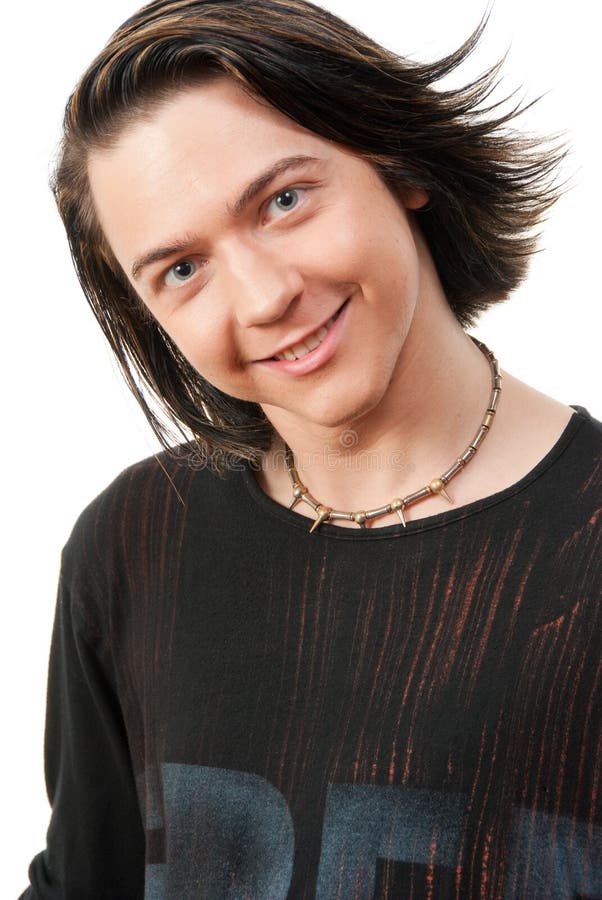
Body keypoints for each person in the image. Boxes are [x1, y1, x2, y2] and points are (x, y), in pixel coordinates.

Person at [20, 0, 601, 897]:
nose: (262, 297)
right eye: (182, 268)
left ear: (396, 164)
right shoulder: (133, 544)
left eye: (284, 201)